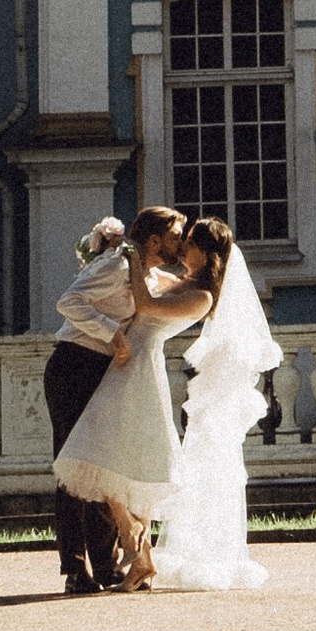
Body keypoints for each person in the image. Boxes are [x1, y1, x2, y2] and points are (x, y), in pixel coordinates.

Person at [53, 210, 279, 588]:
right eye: (179, 238)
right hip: (127, 366)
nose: (181, 247)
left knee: (115, 457)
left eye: (188, 242)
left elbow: (144, 304)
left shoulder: (202, 296)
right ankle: (134, 555)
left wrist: (132, 257)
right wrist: (119, 252)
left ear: (205, 253)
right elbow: (145, 281)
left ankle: (134, 550)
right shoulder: (182, 281)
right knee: (108, 456)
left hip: (138, 368)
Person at [44, 208, 189, 595]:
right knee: (76, 466)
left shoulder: (145, 273)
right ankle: (76, 570)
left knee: (106, 463)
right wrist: (114, 334)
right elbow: (69, 302)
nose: (180, 244)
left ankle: (107, 565)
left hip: (105, 369)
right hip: (74, 366)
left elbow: (179, 285)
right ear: (154, 241)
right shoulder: (117, 265)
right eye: (175, 237)